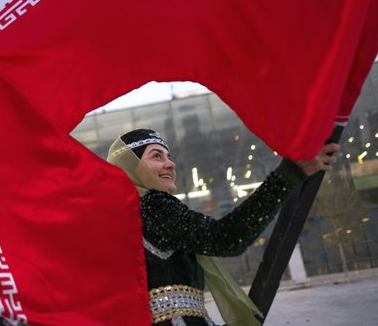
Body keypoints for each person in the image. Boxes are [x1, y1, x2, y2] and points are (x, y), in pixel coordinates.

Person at [107, 129, 338, 326]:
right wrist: (288, 175)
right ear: (131, 166)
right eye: (157, 156)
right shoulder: (153, 205)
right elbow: (226, 237)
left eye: (169, 156)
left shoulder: (123, 217)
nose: (170, 163)